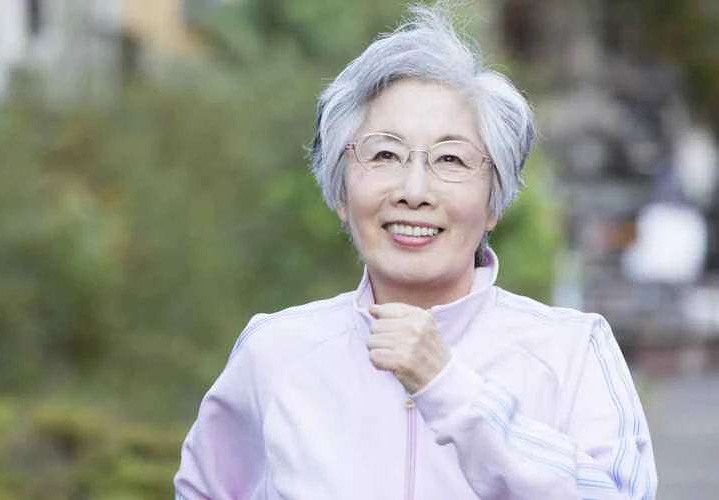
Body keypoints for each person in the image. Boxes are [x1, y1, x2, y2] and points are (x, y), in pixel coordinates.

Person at [174, 3, 657, 499]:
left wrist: (448, 386)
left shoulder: (571, 350)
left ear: (493, 202)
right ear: (341, 193)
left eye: (451, 159)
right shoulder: (275, 353)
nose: (414, 190)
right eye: (385, 154)